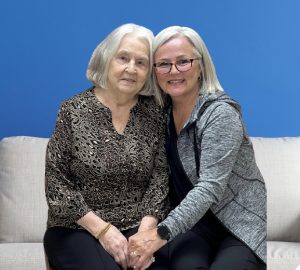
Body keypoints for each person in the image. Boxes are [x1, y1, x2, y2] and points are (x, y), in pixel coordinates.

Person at [128, 26, 267, 270]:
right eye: (164, 64)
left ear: (201, 66)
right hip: (192, 229)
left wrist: (159, 234)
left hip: (237, 229)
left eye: (183, 62)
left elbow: (210, 187)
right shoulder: (160, 114)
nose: (174, 71)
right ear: (155, 71)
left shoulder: (220, 114)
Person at [43, 23, 170, 270]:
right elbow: (57, 184)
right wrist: (104, 231)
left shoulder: (155, 112)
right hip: (77, 227)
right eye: (123, 58)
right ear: (106, 59)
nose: (131, 69)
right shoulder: (72, 110)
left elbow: (160, 177)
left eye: (141, 62)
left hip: (138, 225)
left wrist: (145, 234)